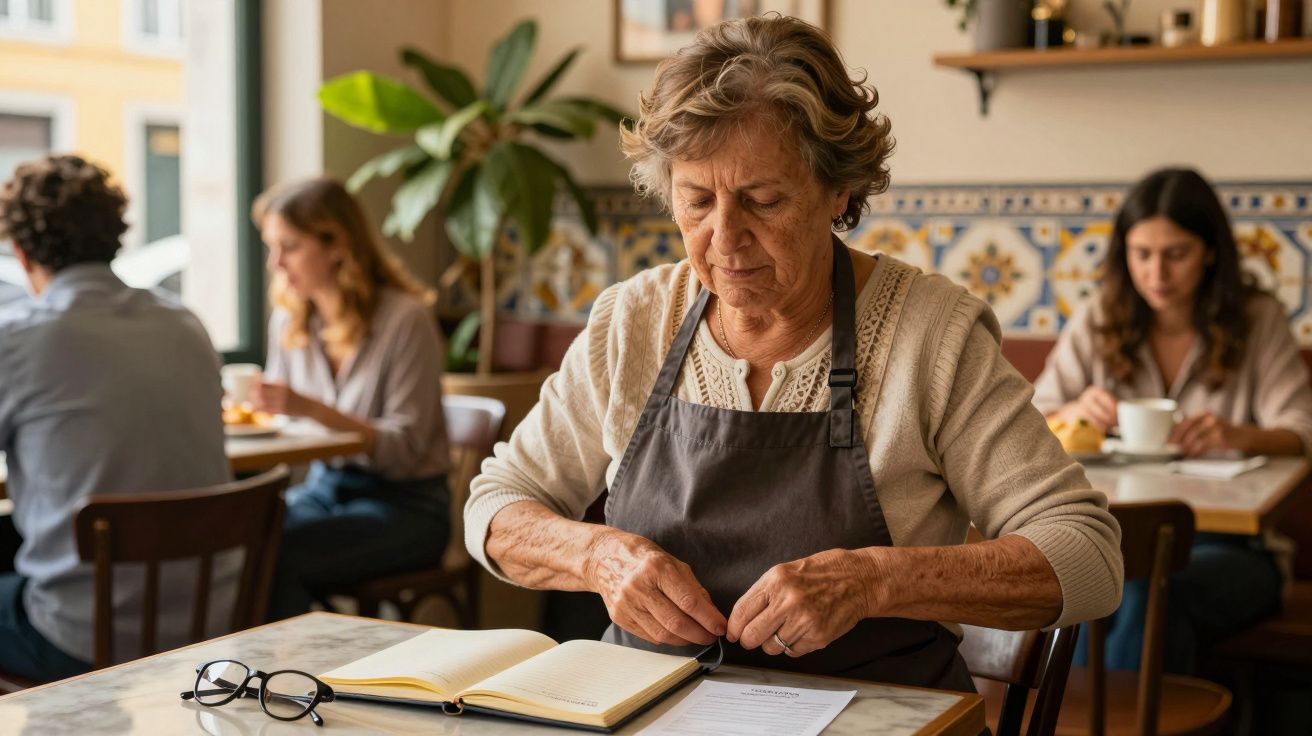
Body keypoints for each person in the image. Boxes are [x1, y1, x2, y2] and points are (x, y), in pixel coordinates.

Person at [463, 16, 1122, 692]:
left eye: (763, 200)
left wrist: (874, 581)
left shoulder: (930, 334)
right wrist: (595, 555)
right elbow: (497, 504)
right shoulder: (633, 320)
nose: (725, 237)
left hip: (872, 716)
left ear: (838, 190)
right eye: (696, 201)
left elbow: (1087, 556)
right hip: (648, 708)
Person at [1034, 166, 1312, 673]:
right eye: (1142, 254)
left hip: (1236, 547)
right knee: (1094, 579)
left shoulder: (1257, 319)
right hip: (1116, 534)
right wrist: (1072, 411)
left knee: (1143, 586)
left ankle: (1098, 715)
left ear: (1210, 252)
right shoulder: (1100, 316)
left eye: (1176, 254)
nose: (1157, 273)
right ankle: (1091, 713)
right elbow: (1030, 421)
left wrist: (1235, 434)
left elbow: (1301, 433)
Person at [0, 155, 231, 680]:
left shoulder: (19, 338)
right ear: (114, 238)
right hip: (214, 617)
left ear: (22, 252)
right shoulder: (184, 322)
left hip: (83, 636)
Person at [252, 177, 451, 620]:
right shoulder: (289, 322)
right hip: (325, 489)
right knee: (242, 540)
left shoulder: (405, 321)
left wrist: (309, 408)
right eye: (272, 247)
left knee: (278, 554)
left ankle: (296, 663)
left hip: (408, 505)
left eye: (289, 247)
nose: (275, 263)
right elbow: (280, 426)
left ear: (337, 244)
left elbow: (404, 449)